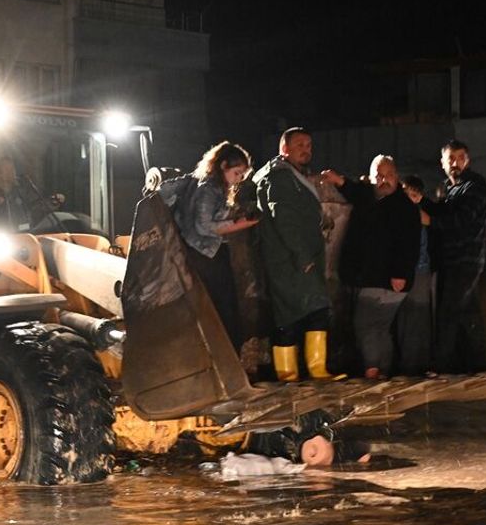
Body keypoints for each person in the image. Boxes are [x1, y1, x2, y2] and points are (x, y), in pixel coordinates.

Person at [252, 127, 344, 382]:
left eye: (309, 145)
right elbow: (284, 219)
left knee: (313, 311)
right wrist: (302, 256)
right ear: (285, 149)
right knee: (292, 317)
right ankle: (290, 373)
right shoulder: (279, 178)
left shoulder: (291, 176)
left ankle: (314, 369)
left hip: (299, 259)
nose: (306, 150)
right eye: (300, 145)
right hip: (289, 261)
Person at [321, 155, 421, 379]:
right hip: (373, 276)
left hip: (386, 278)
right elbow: (356, 192)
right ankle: (384, 371)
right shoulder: (370, 198)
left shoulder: (404, 207)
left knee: (365, 324)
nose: (384, 180)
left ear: (397, 176)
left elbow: (409, 243)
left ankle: (373, 371)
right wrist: (338, 181)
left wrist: (400, 273)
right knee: (381, 327)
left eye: (389, 175)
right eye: (379, 176)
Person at [158, 141, 260, 350]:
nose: (239, 179)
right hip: (206, 254)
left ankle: (224, 351)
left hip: (205, 253)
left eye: (242, 175)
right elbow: (204, 226)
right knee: (222, 306)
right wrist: (240, 224)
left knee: (221, 305)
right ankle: (226, 352)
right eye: (237, 173)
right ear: (223, 166)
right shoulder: (209, 188)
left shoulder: (210, 186)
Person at [419, 139, 486, 374]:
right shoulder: (448, 188)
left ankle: (442, 366)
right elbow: (443, 211)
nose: (455, 163)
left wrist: (430, 220)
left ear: (467, 160)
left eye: (460, 158)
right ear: (442, 162)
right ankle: (476, 364)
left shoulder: (475, 186)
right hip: (450, 260)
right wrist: (422, 201)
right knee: (467, 313)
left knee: (448, 312)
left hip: (466, 258)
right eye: (451, 158)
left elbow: (462, 219)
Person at [394, 174, 436, 376]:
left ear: (419, 197)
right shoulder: (408, 214)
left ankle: (415, 365)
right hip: (412, 271)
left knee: (416, 318)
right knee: (407, 319)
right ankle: (410, 364)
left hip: (419, 272)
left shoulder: (418, 216)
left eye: (413, 195)